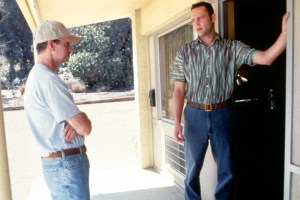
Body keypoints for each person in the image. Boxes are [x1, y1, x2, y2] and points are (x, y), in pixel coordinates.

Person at [172, 2, 289, 200]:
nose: (196, 23)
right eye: (193, 20)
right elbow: (178, 89)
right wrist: (176, 121)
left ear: (213, 17)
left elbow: (265, 58)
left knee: (227, 171)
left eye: (200, 18)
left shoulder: (232, 48)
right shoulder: (184, 52)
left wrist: (286, 34)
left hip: (222, 114)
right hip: (194, 115)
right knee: (191, 171)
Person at [24, 20, 92, 200]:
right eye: (67, 43)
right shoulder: (48, 80)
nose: (71, 48)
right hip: (66, 165)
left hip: (60, 164)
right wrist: (81, 118)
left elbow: (77, 124)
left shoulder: (37, 76)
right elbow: (84, 128)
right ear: (51, 44)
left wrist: (77, 120)